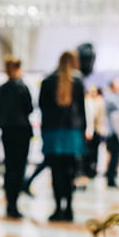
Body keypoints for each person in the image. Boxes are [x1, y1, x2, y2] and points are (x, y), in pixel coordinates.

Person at [39, 51, 86, 222]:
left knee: (56, 173)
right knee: (70, 173)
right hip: (72, 134)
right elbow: (82, 110)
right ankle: (70, 209)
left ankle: (58, 208)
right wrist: (83, 132)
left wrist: (43, 133)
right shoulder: (78, 81)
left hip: (53, 133)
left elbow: (42, 108)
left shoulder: (48, 80)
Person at [0, 56, 33, 218]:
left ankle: (10, 203)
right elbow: (29, 108)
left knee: (10, 167)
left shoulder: (0, 90)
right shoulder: (23, 87)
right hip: (22, 131)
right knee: (19, 167)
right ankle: (14, 203)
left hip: (7, 131)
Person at [103, 78, 119, 188]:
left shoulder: (114, 98)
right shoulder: (111, 98)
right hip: (113, 131)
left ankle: (112, 177)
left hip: (116, 131)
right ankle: (111, 179)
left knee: (116, 156)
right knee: (114, 155)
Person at [83, 86, 106, 179]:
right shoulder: (89, 101)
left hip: (95, 130)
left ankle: (92, 170)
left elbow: (97, 117)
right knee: (90, 152)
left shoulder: (98, 102)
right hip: (91, 131)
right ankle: (89, 170)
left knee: (94, 152)